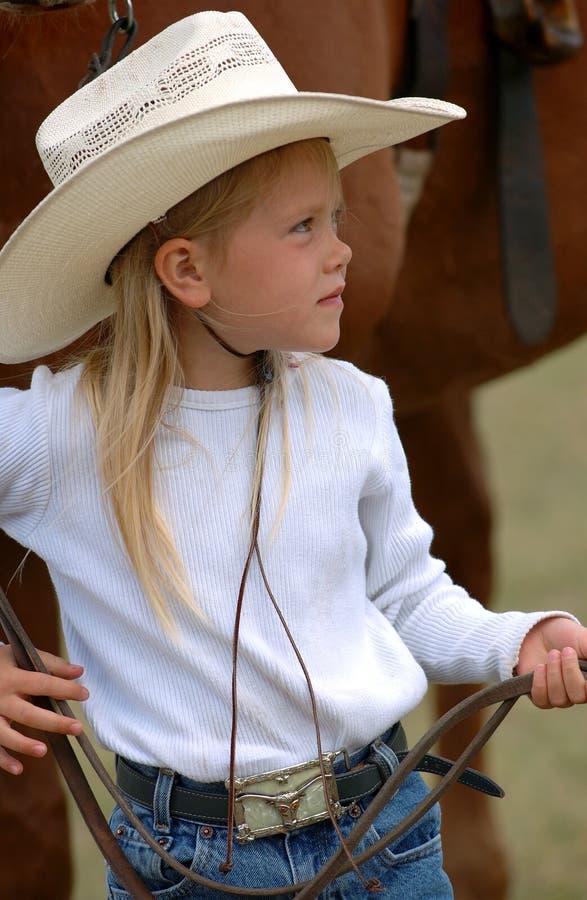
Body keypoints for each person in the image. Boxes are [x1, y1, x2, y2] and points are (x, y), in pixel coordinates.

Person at [0, 11, 585, 899]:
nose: (343, 249)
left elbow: (405, 595)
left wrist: (515, 640)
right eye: (303, 227)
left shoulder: (351, 406)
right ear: (187, 272)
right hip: (188, 865)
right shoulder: (65, 432)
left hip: (385, 836)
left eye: (337, 217)